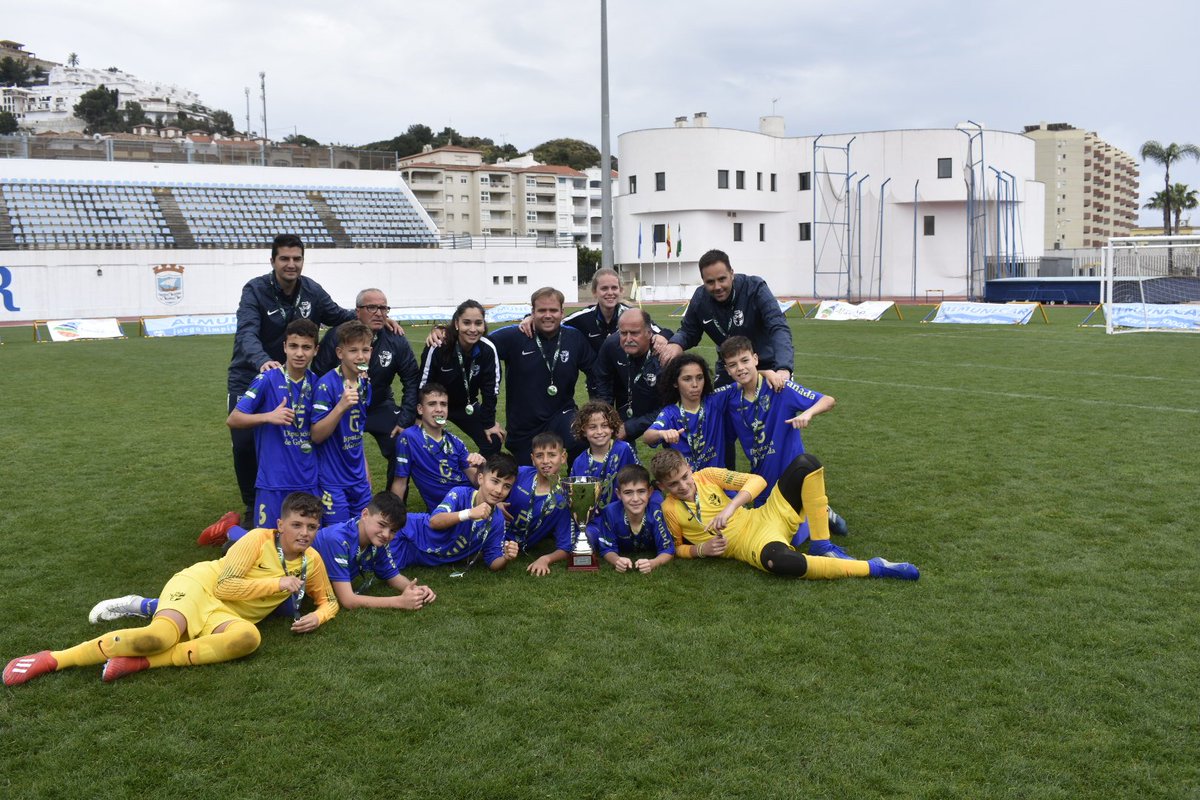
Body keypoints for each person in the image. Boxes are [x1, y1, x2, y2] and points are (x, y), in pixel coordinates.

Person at [5, 493, 338, 686]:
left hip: (223, 614)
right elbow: (225, 585)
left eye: (311, 526)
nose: (304, 532)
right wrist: (276, 583)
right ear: (281, 525)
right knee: (159, 636)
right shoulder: (257, 539)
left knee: (248, 638)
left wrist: (319, 617)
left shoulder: (312, 561)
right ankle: (53, 659)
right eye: (296, 524)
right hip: (200, 586)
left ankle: (143, 663)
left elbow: (329, 601)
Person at [91, 493, 433, 621]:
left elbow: (391, 577)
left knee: (268, 588)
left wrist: (415, 590)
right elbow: (347, 600)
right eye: (382, 526)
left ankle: (230, 532)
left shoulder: (376, 540)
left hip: (292, 572)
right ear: (363, 516)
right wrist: (397, 604)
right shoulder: (332, 540)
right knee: (251, 569)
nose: (385, 535)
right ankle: (146, 604)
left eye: (391, 531)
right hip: (284, 574)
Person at [227, 234, 357, 524]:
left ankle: (309, 492)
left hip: (297, 372)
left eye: (296, 258)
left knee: (304, 432)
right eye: (284, 258)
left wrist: (375, 316)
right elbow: (246, 332)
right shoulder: (255, 290)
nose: (291, 264)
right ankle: (253, 506)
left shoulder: (311, 290)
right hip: (253, 371)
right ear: (272, 261)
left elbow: (338, 315)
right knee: (245, 443)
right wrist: (263, 362)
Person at [650, 449, 918, 581]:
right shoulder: (668, 509)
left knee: (807, 464)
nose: (683, 486)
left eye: (685, 477)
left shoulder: (706, 476)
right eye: (674, 485)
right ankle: (876, 567)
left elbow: (757, 481)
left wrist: (731, 507)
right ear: (662, 487)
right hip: (749, 545)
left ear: (688, 467)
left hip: (763, 516)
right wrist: (701, 550)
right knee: (783, 564)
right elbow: (675, 548)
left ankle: (823, 544)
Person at [719, 335, 849, 538]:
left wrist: (807, 413)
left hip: (792, 476)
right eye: (733, 365)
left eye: (745, 361)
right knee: (765, 532)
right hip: (761, 481)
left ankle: (818, 509)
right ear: (727, 370)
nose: (740, 368)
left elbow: (828, 401)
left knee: (793, 538)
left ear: (755, 358)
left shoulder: (780, 388)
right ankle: (810, 508)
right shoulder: (730, 398)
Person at [314, 288, 420, 490]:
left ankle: (391, 505)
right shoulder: (337, 336)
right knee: (327, 446)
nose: (379, 313)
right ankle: (329, 496)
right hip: (343, 405)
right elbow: (319, 373)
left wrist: (405, 419)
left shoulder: (395, 338)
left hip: (378, 404)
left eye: (383, 308)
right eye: (372, 307)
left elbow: (412, 379)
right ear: (357, 311)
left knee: (401, 443)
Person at [227, 318, 320, 530]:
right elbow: (233, 419)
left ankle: (235, 534)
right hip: (272, 481)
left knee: (304, 543)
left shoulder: (317, 384)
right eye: (294, 346)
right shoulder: (266, 380)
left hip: (308, 480)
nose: (299, 353)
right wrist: (268, 416)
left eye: (306, 347)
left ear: (316, 350)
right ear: (284, 347)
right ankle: (233, 534)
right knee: (266, 543)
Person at [487, 287, 596, 464]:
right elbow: (478, 343)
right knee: (528, 479)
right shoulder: (514, 336)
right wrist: (443, 332)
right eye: (541, 310)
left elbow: (596, 372)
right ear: (532, 312)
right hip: (524, 423)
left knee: (581, 437)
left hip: (561, 414)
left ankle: (575, 485)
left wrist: (595, 407)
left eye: (553, 310)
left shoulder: (573, 338)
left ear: (562, 312)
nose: (548, 315)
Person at [659, 249, 794, 390]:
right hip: (730, 368)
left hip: (769, 365)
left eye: (722, 279)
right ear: (703, 281)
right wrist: (676, 344)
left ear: (732, 273)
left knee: (776, 410)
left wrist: (783, 368)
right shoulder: (700, 299)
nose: (717, 287)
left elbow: (778, 327)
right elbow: (689, 331)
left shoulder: (755, 288)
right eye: (710, 282)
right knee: (719, 408)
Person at [389, 453, 521, 573]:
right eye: (495, 481)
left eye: (507, 486)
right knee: (373, 562)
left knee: (384, 567)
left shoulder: (497, 520)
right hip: (405, 533)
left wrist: (506, 557)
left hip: (416, 555)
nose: (499, 490)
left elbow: (493, 561)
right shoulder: (460, 494)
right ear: (481, 479)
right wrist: (469, 513)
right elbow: (434, 521)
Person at [418, 299, 504, 456]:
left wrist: (489, 423)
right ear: (457, 324)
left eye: (478, 323)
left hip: (467, 407)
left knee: (493, 440)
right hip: (437, 406)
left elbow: (491, 390)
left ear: (484, 325)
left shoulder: (488, 349)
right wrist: (419, 417)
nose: (473, 329)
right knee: (423, 445)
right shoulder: (438, 346)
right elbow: (423, 384)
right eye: (466, 323)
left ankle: (478, 478)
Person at [311, 320, 374, 524]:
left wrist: (365, 469)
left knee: (365, 532)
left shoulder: (365, 383)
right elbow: (316, 435)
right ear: (340, 353)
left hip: (358, 478)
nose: (360, 356)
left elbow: (356, 432)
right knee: (339, 537)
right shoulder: (326, 385)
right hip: (333, 481)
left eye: (365, 350)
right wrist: (340, 407)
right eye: (353, 350)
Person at [391, 383, 484, 511]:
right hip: (447, 510)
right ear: (420, 409)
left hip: (472, 499)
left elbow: (476, 481)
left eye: (443, 404)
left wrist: (482, 466)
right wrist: (393, 518)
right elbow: (400, 482)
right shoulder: (409, 438)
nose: (439, 409)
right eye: (432, 404)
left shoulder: (456, 442)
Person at [644, 353, 734, 471]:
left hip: (716, 481)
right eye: (687, 379)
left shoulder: (715, 400)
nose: (695, 385)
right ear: (675, 383)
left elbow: (744, 382)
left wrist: (764, 372)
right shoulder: (670, 413)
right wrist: (662, 433)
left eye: (699, 377)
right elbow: (647, 437)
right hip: (686, 484)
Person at [593, 308, 669, 443]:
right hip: (626, 406)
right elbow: (602, 381)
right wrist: (605, 417)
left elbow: (671, 407)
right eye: (623, 333)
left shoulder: (663, 355)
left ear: (649, 333)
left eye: (634, 333)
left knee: (674, 439)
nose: (628, 339)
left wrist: (630, 427)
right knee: (599, 438)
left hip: (660, 409)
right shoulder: (611, 345)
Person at [504, 432, 573, 577]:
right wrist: (495, 504)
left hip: (516, 547)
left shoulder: (563, 499)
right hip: (495, 533)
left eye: (552, 455)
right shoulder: (521, 473)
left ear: (563, 457)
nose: (545, 461)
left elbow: (565, 547)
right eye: (539, 455)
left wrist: (545, 558)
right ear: (532, 459)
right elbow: (491, 485)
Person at [586, 465, 674, 573]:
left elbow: (668, 549)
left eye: (641, 491)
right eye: (628, 493)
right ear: (618, 494)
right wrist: (617, 560)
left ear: (650, 492)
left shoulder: (657, 511)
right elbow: (607, 549)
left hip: (655, 502)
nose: (635, 499)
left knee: (658, 500)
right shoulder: (610, 512)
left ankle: (657, 495)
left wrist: (653, 563)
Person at [569, 400, 639, 509]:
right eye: (592, 427)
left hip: (623, 513)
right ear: (583, 431)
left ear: (612, 427)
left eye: (604, 425)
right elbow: (577, 498)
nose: (599, 431)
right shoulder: (579, 462)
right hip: (595, 519)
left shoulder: (624, 449)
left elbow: (639, 479)